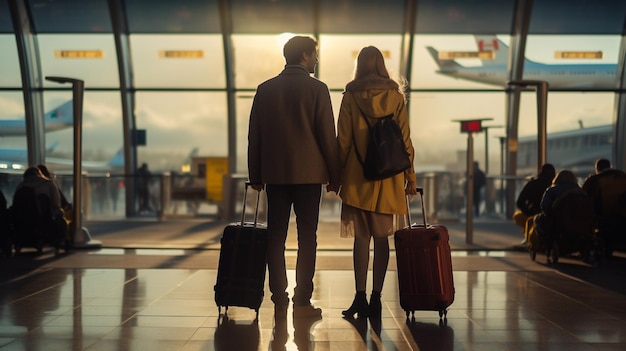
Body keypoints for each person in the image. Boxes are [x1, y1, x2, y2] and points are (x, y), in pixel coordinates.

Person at [247, 35, 341, 317]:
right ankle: (303, 297)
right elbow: (328, 136)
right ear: (303, 56)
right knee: (307, 236)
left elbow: (255, 136)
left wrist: (256, 175)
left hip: (274, 175)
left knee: (275, 236)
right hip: (309, 177)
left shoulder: (265, 90)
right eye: (314, 54)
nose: (316, 59)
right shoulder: (318, 89)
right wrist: (334, 175)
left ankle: (278, 295)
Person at [336, 46, 417, 319]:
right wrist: (411, 179)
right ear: (382, 65)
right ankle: (376, 298)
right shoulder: (395, 96)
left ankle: (359, 297)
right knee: (382, 239)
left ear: (360, 65)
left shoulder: (350, 95)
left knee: (361, 239)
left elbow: (343, 141)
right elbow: (405, 140)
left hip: (358, 178)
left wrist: (336, 178)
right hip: (388, 178)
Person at [514, 163, 556, 243]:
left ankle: (529, 237)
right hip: (553, 216)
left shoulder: (533, 184)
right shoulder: (554, 187)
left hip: (533, 213)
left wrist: (528, 212)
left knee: (518, 216)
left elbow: (520, 202)